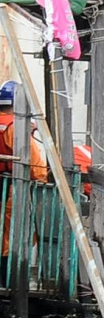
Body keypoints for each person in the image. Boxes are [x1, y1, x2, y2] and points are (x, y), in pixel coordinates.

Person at [0, 80, 49, 278]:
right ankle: (7, 279)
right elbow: (36, 165)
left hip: (6, 183)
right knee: (10, 236)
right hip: (11, 186)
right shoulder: (15, 128)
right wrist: (43, 184)